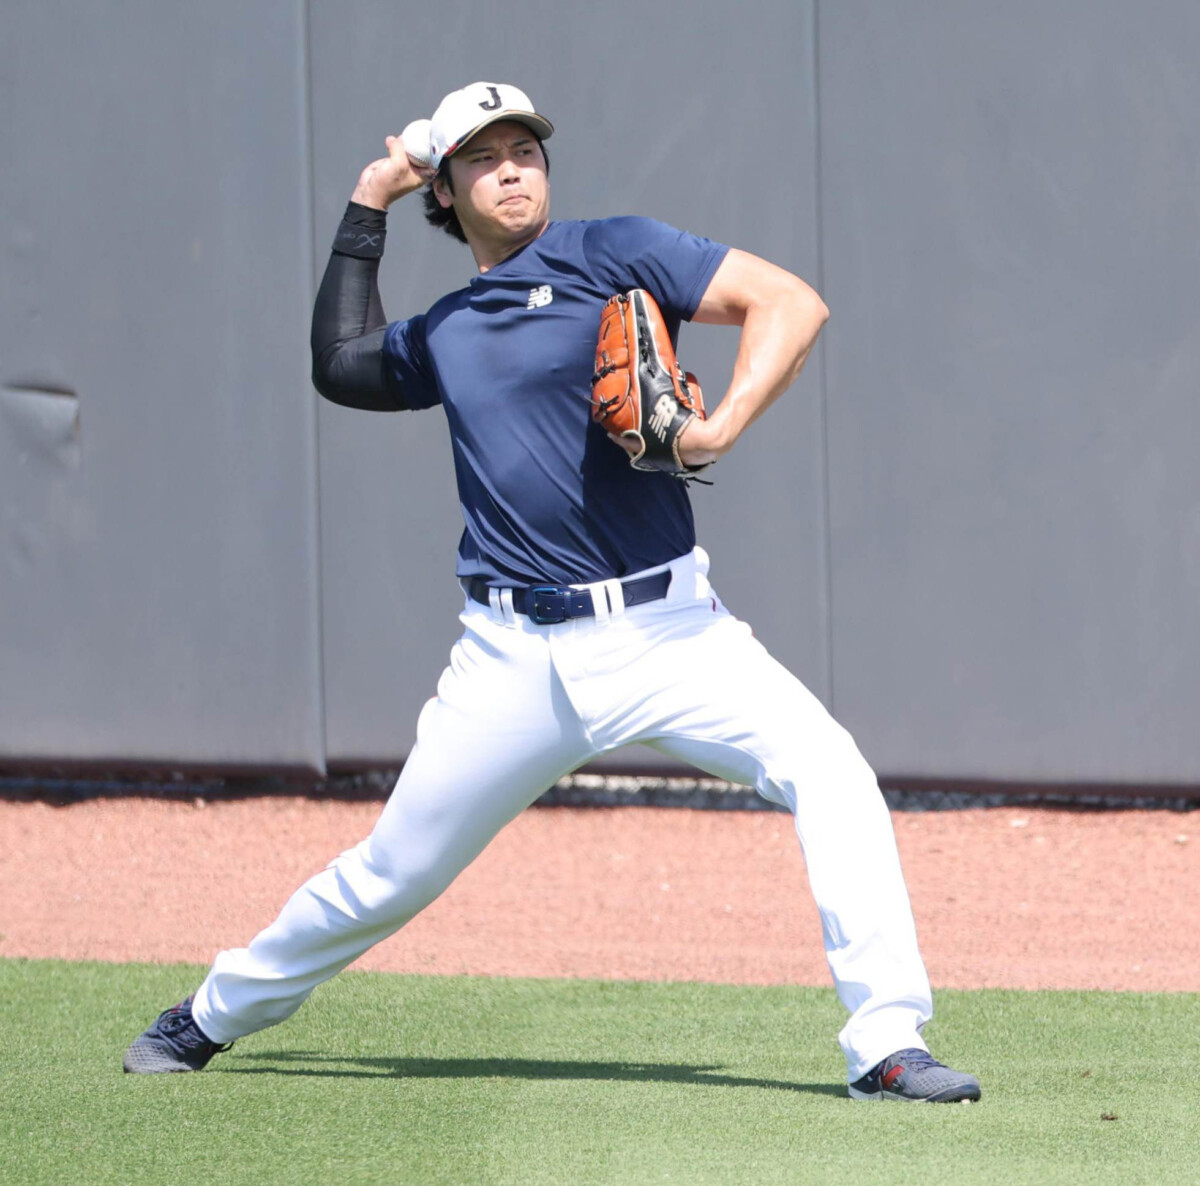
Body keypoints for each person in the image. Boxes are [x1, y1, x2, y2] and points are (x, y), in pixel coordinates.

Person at [123, 82, 980, 1103]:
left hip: (669, 628)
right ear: (446, 189)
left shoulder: (612, 251)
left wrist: (719, 427)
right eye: (483, 155)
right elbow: (340, 363)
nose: (513, 164)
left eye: (524, 145)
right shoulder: (447, 330)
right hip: (511, 657)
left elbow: (790, 302)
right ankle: (209, 1014)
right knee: (391, 873)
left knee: (831, 770)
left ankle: (887, 1043)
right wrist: (368, 199)